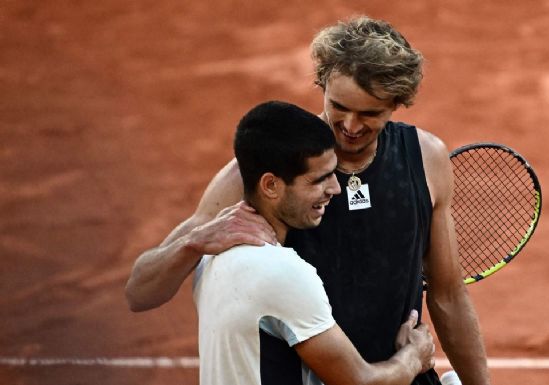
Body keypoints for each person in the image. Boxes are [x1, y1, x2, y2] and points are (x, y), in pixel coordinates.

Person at [126, 16, 490, 385]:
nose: (350, 125)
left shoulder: (426, 159)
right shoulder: (264, 172)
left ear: (397, 104)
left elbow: (447, 295)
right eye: (339, 106)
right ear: (323, 86)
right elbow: (141, 291)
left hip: (401, 374)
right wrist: (193, 241)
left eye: (370, 113)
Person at [193, 100, 435, 385]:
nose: (334, 188)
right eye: (319, 180)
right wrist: (413, 357)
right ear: (271, 185)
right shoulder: (284, 274)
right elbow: (361, 382)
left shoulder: (211, 255)